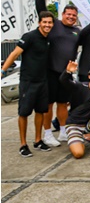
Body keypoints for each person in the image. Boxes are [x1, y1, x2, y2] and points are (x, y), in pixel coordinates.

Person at [34, 0, 90, 147]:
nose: (71, 17)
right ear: (62, 15)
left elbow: (86, 34)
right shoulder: (54, 25)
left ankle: (63, 131)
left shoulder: (77, 31)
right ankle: (48, 133)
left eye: (74, 15)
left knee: (63, 103)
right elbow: (41, 9)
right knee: (48, 104)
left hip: (66, 74)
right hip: (50, 71)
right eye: (68, 14)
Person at [2, 11, 56, 156]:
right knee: (24, 113)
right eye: (45, 22)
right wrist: (2, 71)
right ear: (39, 23)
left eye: (50, 22)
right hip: (28, 82)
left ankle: (38, 140)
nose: (47, 25)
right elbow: (14, 54)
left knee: (41, 111)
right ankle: (23, 144)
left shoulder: (48, 39)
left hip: (43, 81)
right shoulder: (29, 37)